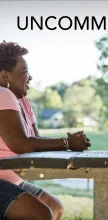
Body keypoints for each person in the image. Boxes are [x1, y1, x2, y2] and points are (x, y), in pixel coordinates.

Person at [0, 41, 91, 220]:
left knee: (54, 207)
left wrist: (68, 143)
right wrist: (67, 143)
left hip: (11, 180)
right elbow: (21, 145)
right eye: (25, 72)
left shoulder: (22, 101)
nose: (30, 77)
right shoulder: (3, 94)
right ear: (5, 75)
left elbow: (35, 140)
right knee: (40, 214)